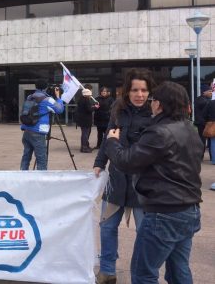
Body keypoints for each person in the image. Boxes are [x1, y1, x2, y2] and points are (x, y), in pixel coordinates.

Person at [105, 81, 202, 284]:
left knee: (143, 273)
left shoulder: (159, 132)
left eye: (152, 99)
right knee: (178, 270)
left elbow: (127, 161)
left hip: (164, 212)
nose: (149, 103)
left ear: (159, 104)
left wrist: (112, 142)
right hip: (189, 210)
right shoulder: (190, 129)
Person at [93, 68, 155, 284]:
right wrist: (99, 163)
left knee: (145, 232)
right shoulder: (117, 109)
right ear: (127, 91)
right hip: (116, 181)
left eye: (144, 90)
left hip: (143, 186)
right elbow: (109, 137)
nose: (140, 94)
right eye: (135, 90)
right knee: (107, 227)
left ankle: (143, 275)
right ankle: (107, 271)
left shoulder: (155, 114)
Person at [19, 79, 64, 170]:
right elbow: (59, 110)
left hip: (27, 130)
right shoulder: (47, 99)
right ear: (46, 87)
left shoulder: (30, 97)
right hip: (38, 132)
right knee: (41, 158)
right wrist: (58, 98)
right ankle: (41, 179)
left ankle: (22, 176)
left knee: (26, 156)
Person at [194, 84, 211, 161]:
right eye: (209, 91)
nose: (211, 93)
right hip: (201, 123)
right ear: (204, 92)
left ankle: (211, 156)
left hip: (207, 123)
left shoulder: (207, 100)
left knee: (210, 141)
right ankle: (200, 156)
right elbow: (205, 103)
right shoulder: (200, 100)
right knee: (202, 140)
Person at [76, 87, 95, 153]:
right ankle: (84, 147)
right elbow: (89, 109)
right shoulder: (86, 100)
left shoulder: (80, 99)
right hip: (86, 119)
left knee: (84, 133)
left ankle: (85, 146)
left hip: (82, 119)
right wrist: (94, 108)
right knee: (85, 134)